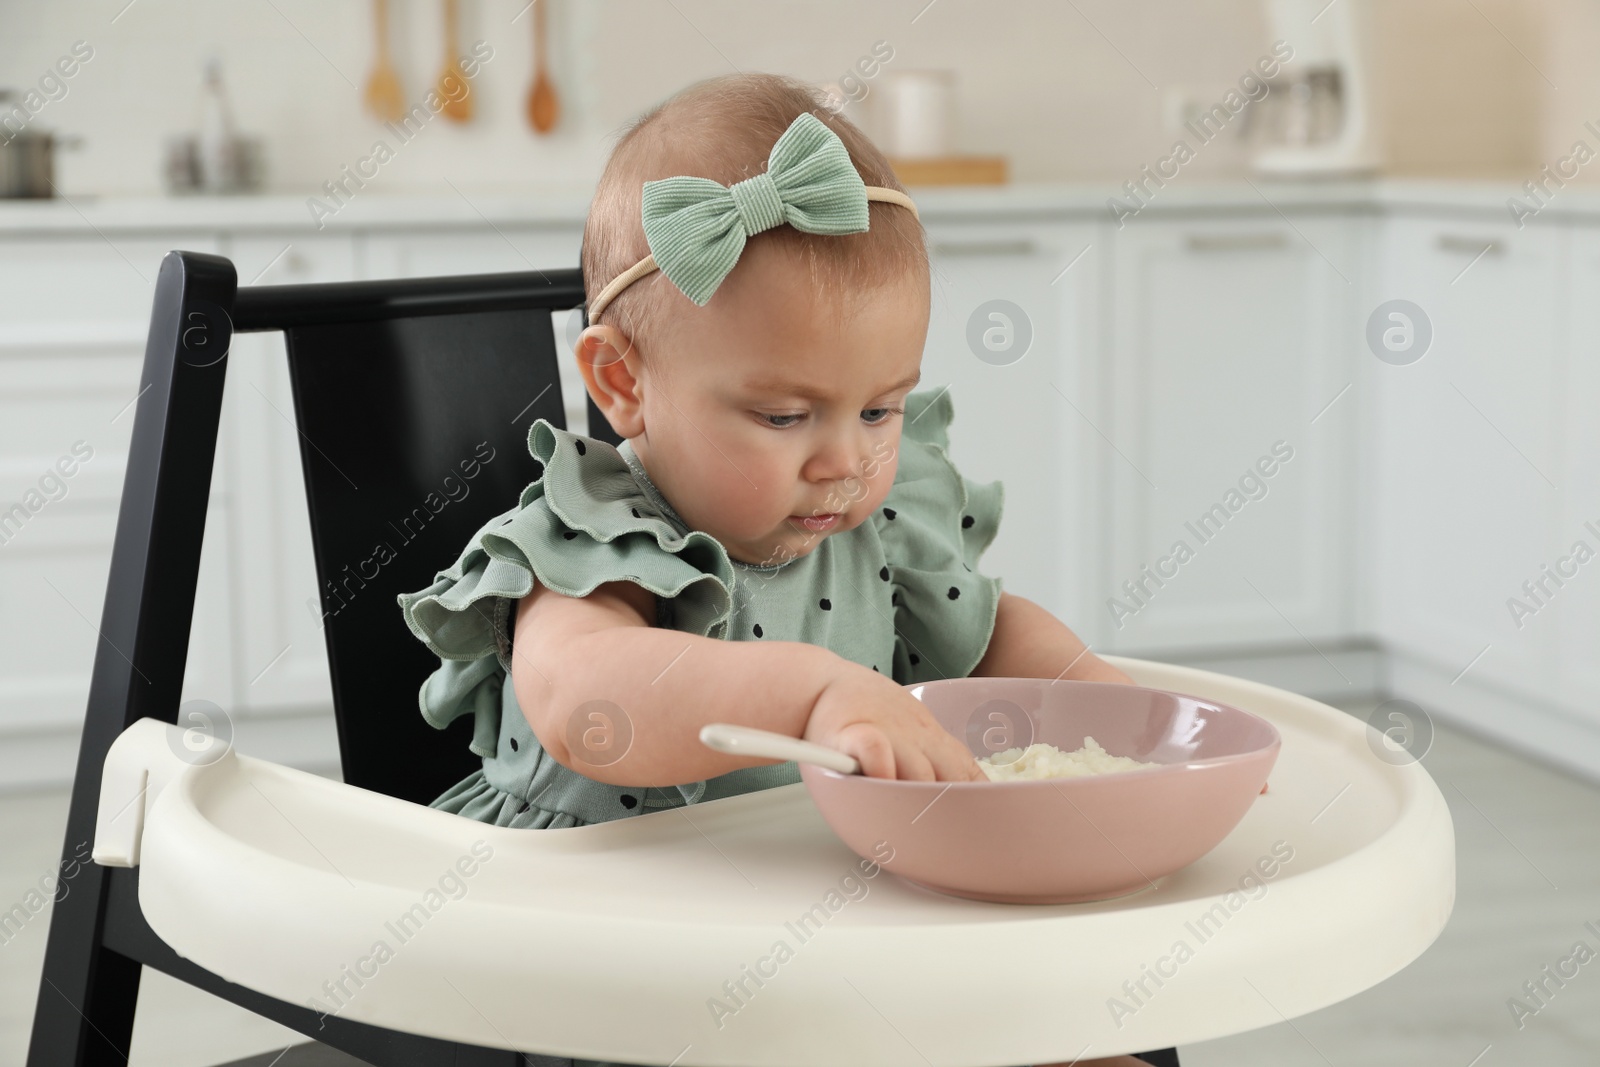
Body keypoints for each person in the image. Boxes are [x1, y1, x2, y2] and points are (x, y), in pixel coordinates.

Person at [398, 71, 1165, 1067]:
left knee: (1079, 1027)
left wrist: (1110, 712)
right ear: (624, 383)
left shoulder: (870, 521)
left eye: (879, 409)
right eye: (782, 415)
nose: (844, 460)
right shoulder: (600, 539)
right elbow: (581, 695)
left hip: (808, 930)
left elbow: (989, 633)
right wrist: (812, 693)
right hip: (591, 964)